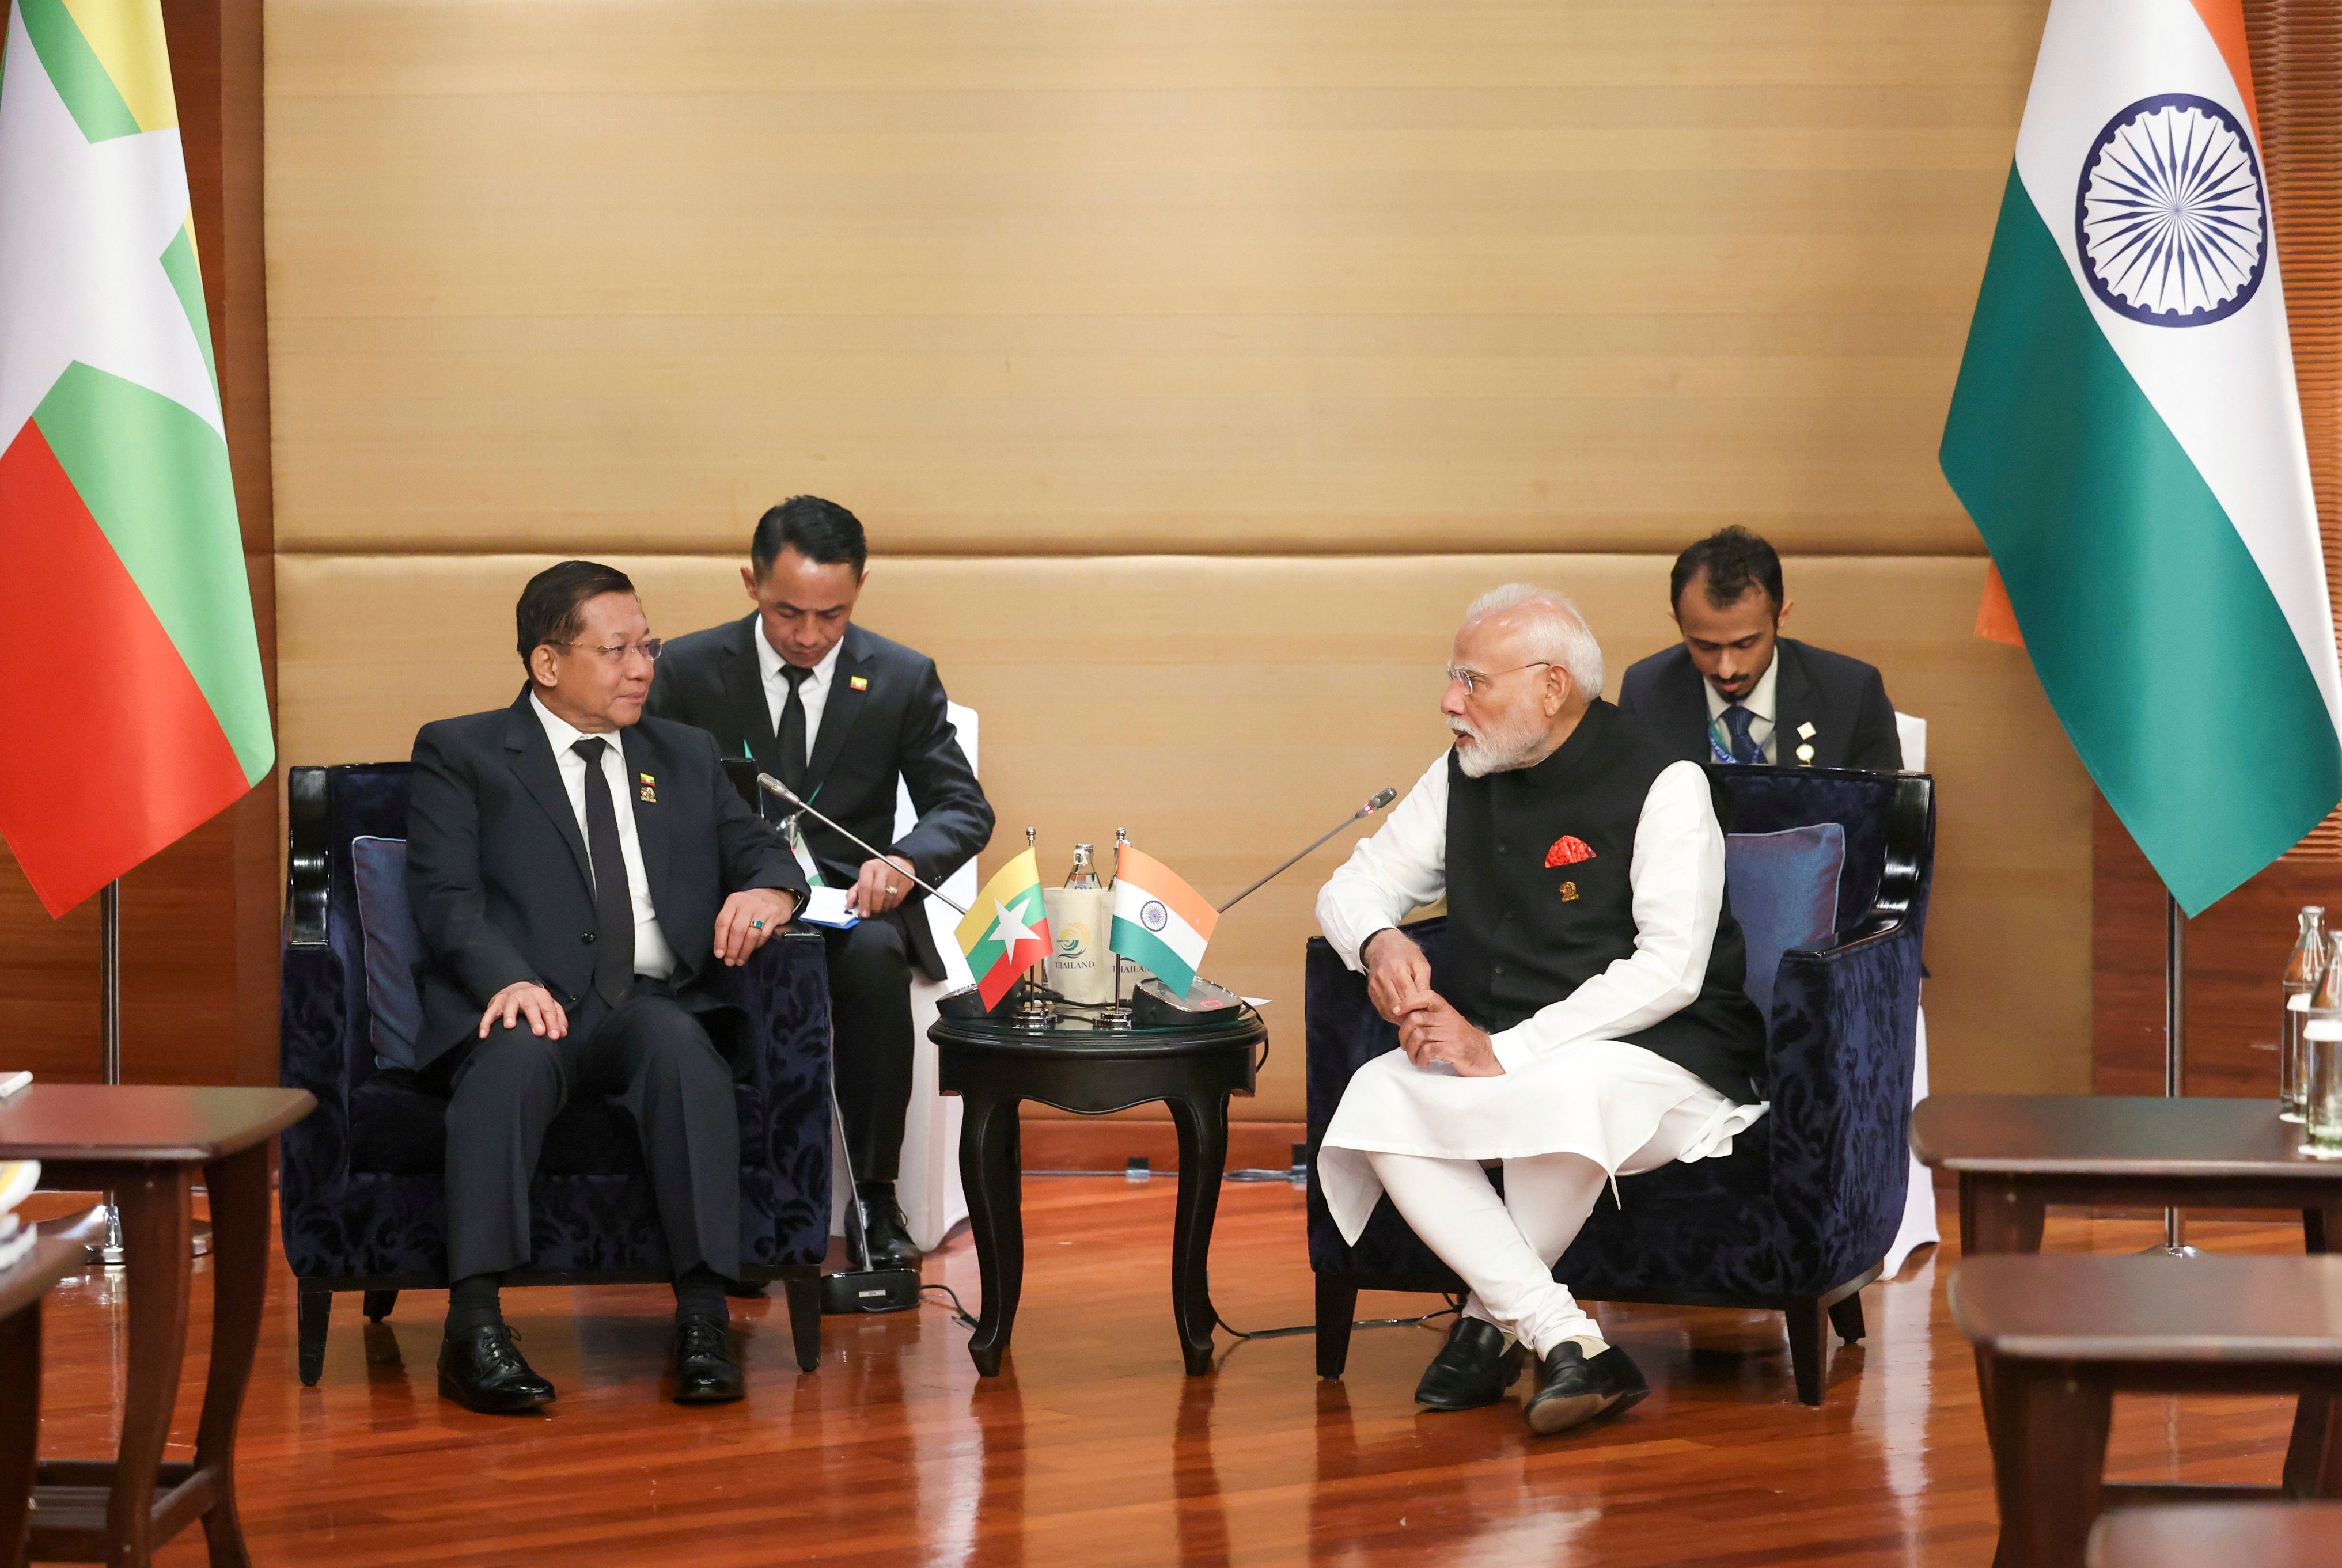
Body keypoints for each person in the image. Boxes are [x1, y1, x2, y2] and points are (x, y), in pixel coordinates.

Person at [1314, 584, 1768, 1436]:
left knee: (1569, 1088)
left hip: (1662, 1057)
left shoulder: (1665, 779)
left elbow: (1670, 970)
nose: (1449, 701)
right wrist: (1379, 940)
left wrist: (1506, 1050)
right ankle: (1566, 1337)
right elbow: (1352, 885)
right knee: (1376, 1091)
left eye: (1471, 680)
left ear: (1551, 685)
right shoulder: (1461, 771)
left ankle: (1485, 1328)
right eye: (1451, 677)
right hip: (1510, 1053)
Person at [406, 561, 806, 1413]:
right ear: (547, 663)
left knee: (685, 1055)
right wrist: (508, 978)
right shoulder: (463, 751)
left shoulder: (683, 752)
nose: (642, 668)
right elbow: (445, 897)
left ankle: (704, 1319)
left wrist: (773, 891)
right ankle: (473, 1326)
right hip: (527, 1000)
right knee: (509, 1063)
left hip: (648, 1001)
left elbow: (761, 850)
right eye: (617, 650)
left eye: (647, 646)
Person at [647, 496, 993, 1269]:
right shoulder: (688, 670)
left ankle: (873, 1196)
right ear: (751, 584)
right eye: (787, 612)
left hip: (847, 908)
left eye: (831, 614)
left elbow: (962, 806)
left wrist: (906, 860)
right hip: (727, 902)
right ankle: (728, 1200)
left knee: (875, 957)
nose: (808, 635)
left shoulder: (900, 676)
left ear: (860, 587)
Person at [1617, 526, 1903, 772]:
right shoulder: (1646, 693)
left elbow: (1886, 811)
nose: (1726, 669)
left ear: (1781, 616)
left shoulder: (1850, 693)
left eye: (1745, 644)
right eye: (1706, 646)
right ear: (1678, 622)